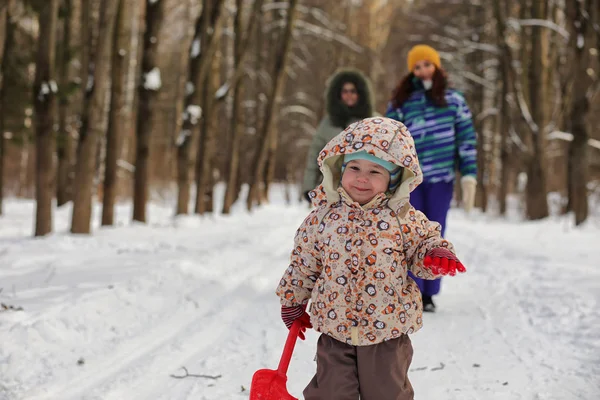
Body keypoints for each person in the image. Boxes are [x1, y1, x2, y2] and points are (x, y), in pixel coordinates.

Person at [276, 117, 466, 400]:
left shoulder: (402, 218)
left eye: (375, 171)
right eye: (354, 167)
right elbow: (304, 262)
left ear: (394, 178)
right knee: (330, 393)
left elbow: (423, 245)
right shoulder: (322, 217)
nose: (362, 178)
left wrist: (433, 256)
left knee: (387, 393)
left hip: (387, 334)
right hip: (335, 330)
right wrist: (293, 300)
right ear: (340, 168)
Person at [385, 44, 477, 312]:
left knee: (435, 233)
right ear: (411, 71)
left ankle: (429, 293)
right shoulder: (401, 103)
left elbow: (466, 140)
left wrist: (469, 175)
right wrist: (389, 179)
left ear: (436, 66)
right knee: (409, 234)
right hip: (410, 180)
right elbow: (389, 141)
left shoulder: (454, 100)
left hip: (441, 179)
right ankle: (411, 288)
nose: (423, 70)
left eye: (427, 64)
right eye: (417, 66)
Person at [302, 68, 376, 201]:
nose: (349, 95)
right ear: (337, 94)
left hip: (365, 188)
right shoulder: (328, 123)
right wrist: (309, 186)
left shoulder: (374, 121)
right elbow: (315, 154)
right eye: (345, 91)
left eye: (353, 91)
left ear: (361, 93)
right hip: (332, 189)